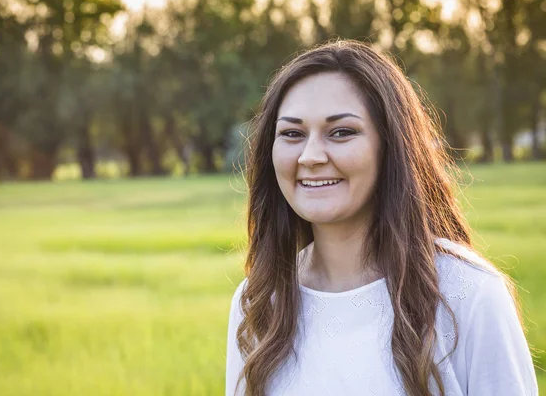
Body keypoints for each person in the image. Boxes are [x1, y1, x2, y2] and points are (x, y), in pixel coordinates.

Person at [225, 40, 538, 396]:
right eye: (292, 134)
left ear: (391, 145)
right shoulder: (259, 301)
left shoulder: (468, 294)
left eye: (341, 132)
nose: (310, 156)